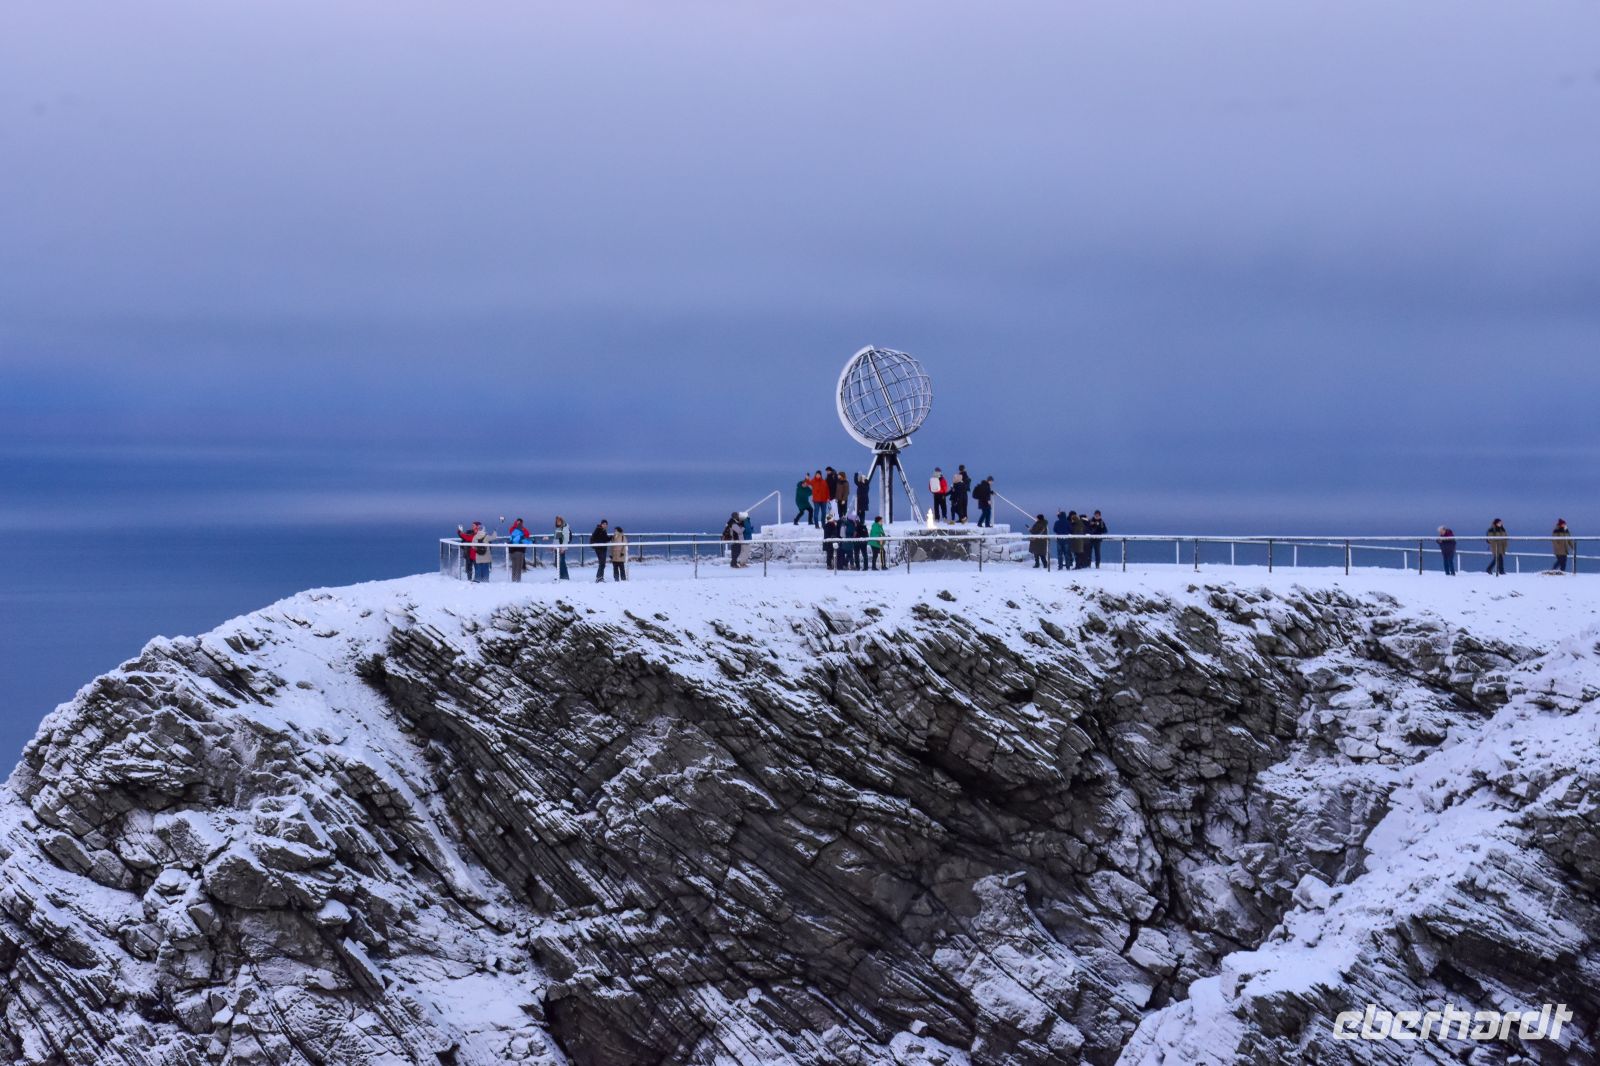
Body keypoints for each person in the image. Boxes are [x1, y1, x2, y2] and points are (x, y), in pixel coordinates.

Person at [552, 516, 571, 580]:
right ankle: (560, 576)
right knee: (558, 563)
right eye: (557, 521)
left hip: (561, 549)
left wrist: (563, 548)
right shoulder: (558, 529)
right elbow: (556, 539)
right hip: (557, 548)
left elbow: (566, 539)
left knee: (561, 562)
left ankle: (565, 577)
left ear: (562, 521)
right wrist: (553, 547)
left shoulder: (564, 528)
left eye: (559, 521)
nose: (558, 522)